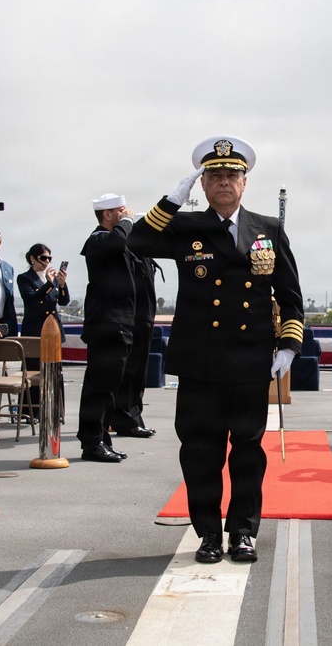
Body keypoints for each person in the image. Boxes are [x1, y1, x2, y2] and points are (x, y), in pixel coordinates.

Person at [129, 135, 304, 564]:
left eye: (232, 175)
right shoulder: (185, 227)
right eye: (214, 176)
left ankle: (243, 532)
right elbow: (135, 242)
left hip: (249, 360)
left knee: (247, 453)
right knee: (201, 452)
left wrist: (288, 346)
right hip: (199, 360)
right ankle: (208, 532)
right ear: (203, 186)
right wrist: (170, 201)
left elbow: (290, 295)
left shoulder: (269, 228)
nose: (224, 183)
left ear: (245, 183)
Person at [77, 194, 136, 462]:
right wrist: (126, 222)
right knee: (99, 386)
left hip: (119, 322)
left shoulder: (114, 241)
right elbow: (119, 240)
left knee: (110, 385)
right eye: (119, 212)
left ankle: (102, 437)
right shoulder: (98, 239)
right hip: (106, 323)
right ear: (107, 214)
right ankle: (91, 441)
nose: (125, 215)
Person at [109, 243, 159, 439]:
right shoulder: (129, 255)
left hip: (144, 318)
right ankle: (125, 419)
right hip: (134, 319)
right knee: (129, 374)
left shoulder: (144, 256)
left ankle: (134, 417)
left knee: (139, 374)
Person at [18, 242, 70, 417]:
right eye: (43, 258)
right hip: (35, 329)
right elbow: (32, 300)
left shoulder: (53, 279)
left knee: (55, 369)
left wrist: (62, 285)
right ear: (32, 259)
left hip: (53, 329)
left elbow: (63, 301)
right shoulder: (25, 278)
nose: (46, 262)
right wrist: (48, 284)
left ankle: (55, 408)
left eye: (49, 258)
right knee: (33, 369)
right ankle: (32, 410)